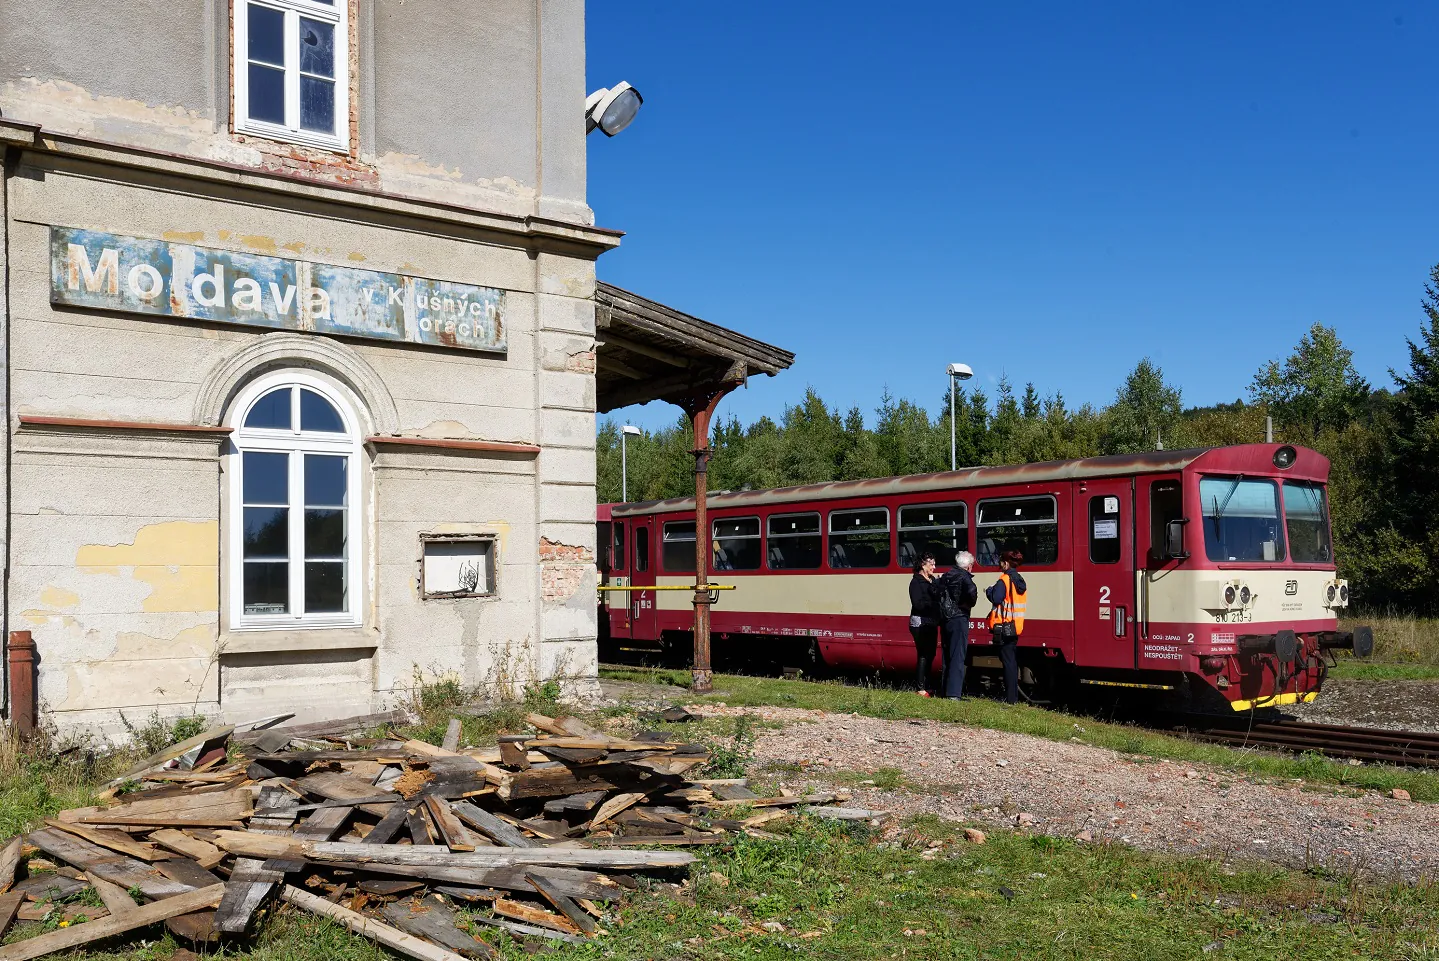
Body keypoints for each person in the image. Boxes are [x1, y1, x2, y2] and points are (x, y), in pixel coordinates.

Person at [985, 549, 1028, 704]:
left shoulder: (1004, 579)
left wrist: (989, 590)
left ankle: (1011, 699)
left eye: (1001, 562)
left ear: (1006, 563)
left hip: (1004, 626)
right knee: (1011, 661)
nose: (1000, 565)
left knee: (1008, 662)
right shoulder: (1020, 580)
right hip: (1016, 626)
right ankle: (1012, 697)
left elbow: (996, 598)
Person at [935, 550, 978, 699]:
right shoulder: (965, 577)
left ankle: (945, 691)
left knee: (947, 656)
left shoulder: (946, 575)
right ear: (969, 566)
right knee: (958, 656)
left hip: (945, 619)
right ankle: (954, 694)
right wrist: (966, 604)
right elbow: (972, 592)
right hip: (959, 618)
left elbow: (936, 591)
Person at [908, 552, 940, 696]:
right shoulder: (916, 582)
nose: (934, 567)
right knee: (923, 654)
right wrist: (933, 604)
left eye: (934, 564)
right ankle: (920, 688)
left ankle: (927, 685)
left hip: (932, 622)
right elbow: (918, 604)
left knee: (931, 654)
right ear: (923, 564)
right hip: (919, 623)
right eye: (931, 564)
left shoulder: (933, 581)